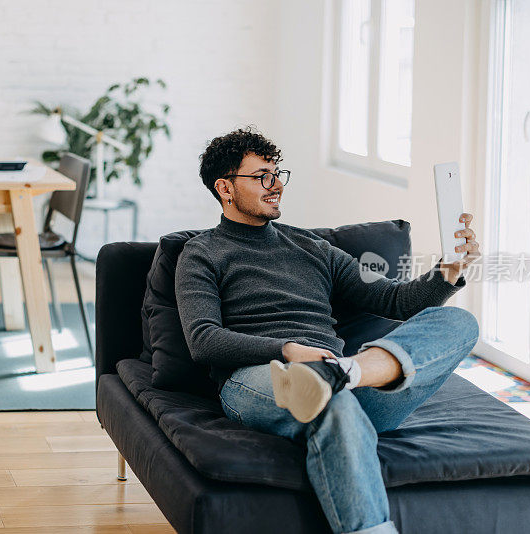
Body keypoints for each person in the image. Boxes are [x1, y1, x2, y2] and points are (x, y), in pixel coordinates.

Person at [175, 128, 481, 534]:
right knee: (324, 396)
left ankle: (347, 372)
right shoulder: (202, 254)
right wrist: (289, 351)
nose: (276, 184)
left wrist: (449, 271)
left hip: (345, 377)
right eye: (262, 176)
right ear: (225, 188)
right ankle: (334, 380)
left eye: (278, 173)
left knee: (460, 322)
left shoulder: (313, 247)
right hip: (264, 377)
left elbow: (395, 301)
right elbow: (204, 340)